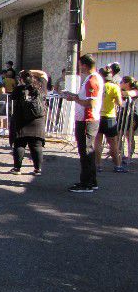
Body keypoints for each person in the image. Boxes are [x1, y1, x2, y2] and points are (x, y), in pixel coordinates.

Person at [63, 55, 103, 193]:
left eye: (80, 65)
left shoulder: (92, 80)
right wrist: (74, 96)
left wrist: (74, 98)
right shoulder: (91, 79)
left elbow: (91, 103)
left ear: (85, 65)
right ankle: (91, 181)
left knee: (86, 152)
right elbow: (85, 98)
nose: (79, 67)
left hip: (87, 120)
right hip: (86, 119)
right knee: (86, 151)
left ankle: (87, 183)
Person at [9, 70, 48, 175]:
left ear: (21, 79)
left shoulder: (19, 89)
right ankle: (38, 169)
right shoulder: (41, 87)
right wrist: (31, 71)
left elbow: (12, 97)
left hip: (21, 120)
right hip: (37, 121)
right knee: (36, 145)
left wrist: (20, 83)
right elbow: (44, 74)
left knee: (19, 144)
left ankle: (17, 169)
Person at [95, 68, 124, 173]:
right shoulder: (114, 87)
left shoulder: (98, 86)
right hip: (110, 117)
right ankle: (117, 165)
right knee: (113, 143)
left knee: (97, 142)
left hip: (98, 116)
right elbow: (120, 103)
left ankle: (98, 165)